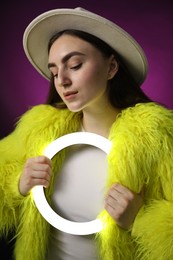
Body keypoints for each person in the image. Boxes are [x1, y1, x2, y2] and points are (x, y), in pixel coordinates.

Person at [0, 7, 173, 260]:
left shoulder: (157, 137)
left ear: (111, 67)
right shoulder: (38, 130)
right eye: (55, 72)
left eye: (75, 65)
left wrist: (140, 219)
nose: (62, 81)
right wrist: (19, 184)